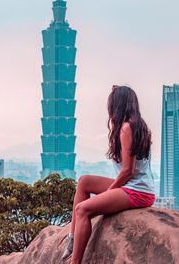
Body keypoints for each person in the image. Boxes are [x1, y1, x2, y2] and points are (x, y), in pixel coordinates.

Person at [61, 85, 155, 264]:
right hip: (133, 186)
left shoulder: (127, 128)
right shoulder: (134, 126)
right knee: (84, 181)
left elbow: (128, 170)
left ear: (117, 105)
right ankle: (72, 238)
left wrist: (110, 191)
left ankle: (75, 262)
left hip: (138, 191)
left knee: (82, 209)